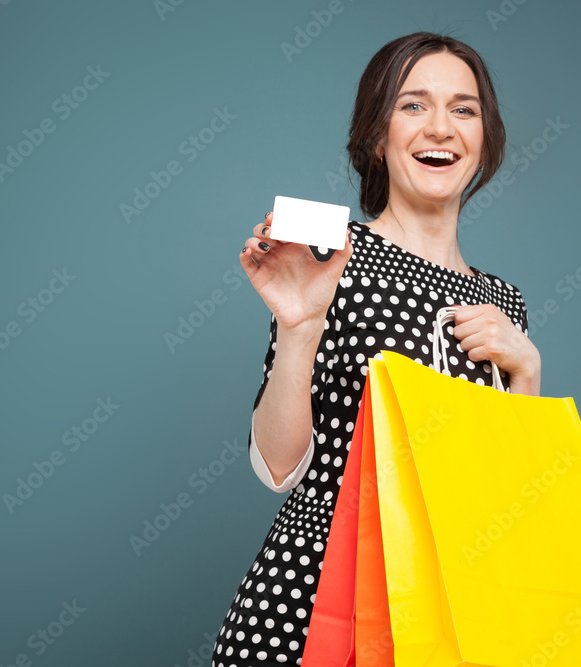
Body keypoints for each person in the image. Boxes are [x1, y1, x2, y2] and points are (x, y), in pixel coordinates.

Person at [210, 31, 541, 666]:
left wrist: (526, 373)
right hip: (310, 602)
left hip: (443, 610)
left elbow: (510, 502)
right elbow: (277, 468)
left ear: (485, 139)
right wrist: (299, 328)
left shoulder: (504, 302)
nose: (440, 127)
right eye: (413, 105)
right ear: (377, 137)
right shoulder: (332, 253)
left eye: (464, 109)